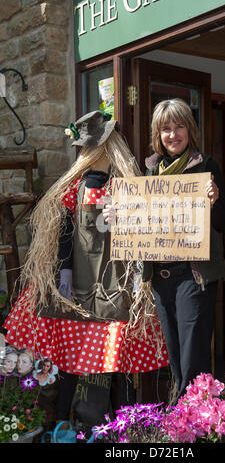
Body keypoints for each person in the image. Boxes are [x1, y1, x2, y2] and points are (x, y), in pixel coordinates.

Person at [3, 110, 168, 423]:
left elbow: (137, 234)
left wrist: (135, 268)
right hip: (76, 289)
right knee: (68, 361)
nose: (85, 153)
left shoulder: (125, 186)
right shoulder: (73, 188)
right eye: (82, 148)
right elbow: (65, 233)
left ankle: (116, 422)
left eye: (89, 147)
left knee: (112, 361)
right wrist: (63, 271)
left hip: (113, 288)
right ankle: (64, 419)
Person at [141, 98, 225, 401]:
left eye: (179, 126)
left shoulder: (207, 166)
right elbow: (142, 221)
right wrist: (119, 217)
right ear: (158, 134)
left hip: (195, 277)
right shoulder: (150, 172)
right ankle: (190, 421)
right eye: (166, 128)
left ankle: (190, 425)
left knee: (193, 359)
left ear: (190, 130)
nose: (173, 134)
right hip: (161, 278)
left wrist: (216, 200)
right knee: (177, 360)